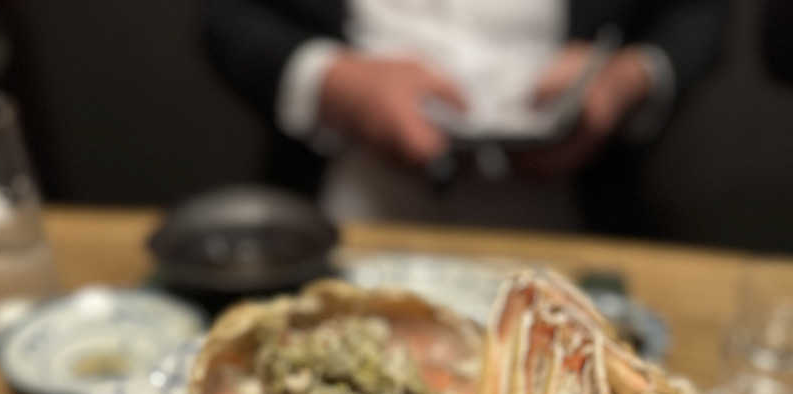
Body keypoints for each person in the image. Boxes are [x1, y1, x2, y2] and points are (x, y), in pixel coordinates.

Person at [202, 1, 726, 233]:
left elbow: (698, 15)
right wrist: (336, 82)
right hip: (350, 202)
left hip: (567, 212)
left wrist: (623, 78)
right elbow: (228, 16)